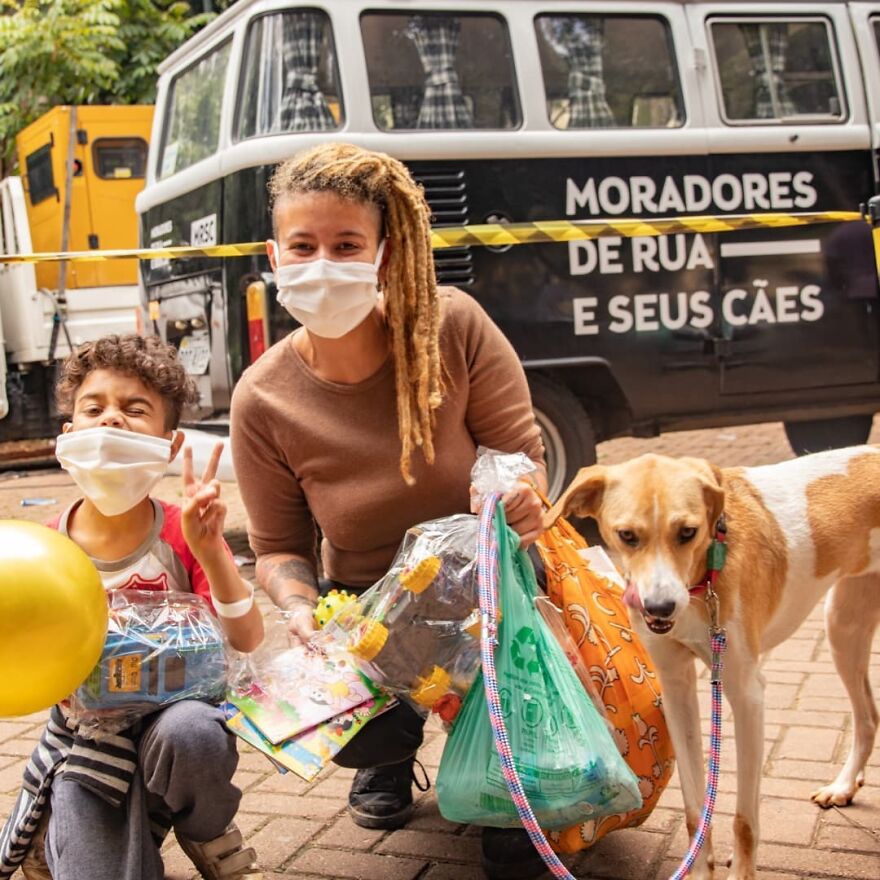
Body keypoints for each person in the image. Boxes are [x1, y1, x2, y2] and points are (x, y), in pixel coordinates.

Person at [230, 143, 548, 880]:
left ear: (383, 252)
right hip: (365, 609)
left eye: (347, 245)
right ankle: (389, 750)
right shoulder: (262, 398)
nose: (322, 263)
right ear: (274, 257)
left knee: (516, 806)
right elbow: (278, 549)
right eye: (302, 247)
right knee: (355, 736)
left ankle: (508, 775)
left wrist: (519, 490)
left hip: (487, 587)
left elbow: (520, 452)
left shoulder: (453, 326)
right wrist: (301, 609)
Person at [0, 334, 264, 880]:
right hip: (88, 744)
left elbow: (247, 640)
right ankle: (66, 827)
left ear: (170, 446)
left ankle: (206, 829)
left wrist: (211, 549)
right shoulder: (43, 554)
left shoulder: (181, 531)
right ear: (66, 438)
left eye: (134, 409)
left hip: (174, 730)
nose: (112, 420)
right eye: (94, 408)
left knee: (193, 732)